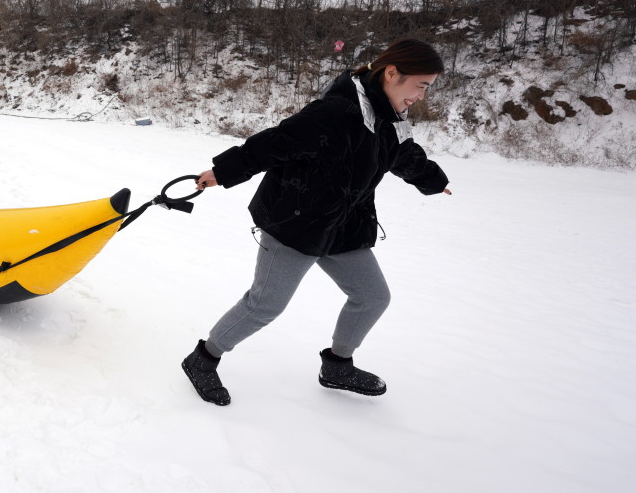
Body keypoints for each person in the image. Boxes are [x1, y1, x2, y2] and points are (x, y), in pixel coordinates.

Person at [181, 38, 452, 406]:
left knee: (372, 297)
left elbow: (404, 155)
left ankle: (338, 365)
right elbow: (276, 142)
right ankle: (203, 359)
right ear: (392, 73)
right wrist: (222, 171)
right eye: (420, 85)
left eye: (427, 88)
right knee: (265, 305)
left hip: (342, 225)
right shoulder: (337, 112)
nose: (421, 95)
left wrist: (434, 180)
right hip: (296, 223)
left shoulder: (389, 119)